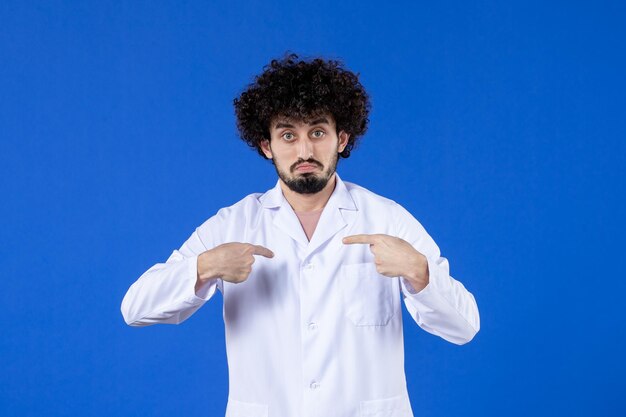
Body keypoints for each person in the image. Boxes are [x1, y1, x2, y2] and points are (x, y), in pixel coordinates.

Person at [121, 53, 480, 417]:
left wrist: (420, 273)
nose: (305, 151)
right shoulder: (232, 224)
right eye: (288, 135)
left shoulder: (388, 219)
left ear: (342, 138)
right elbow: (135, 308)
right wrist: (203, 267)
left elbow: (465, 326)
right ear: (267, 146)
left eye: (318, 132)